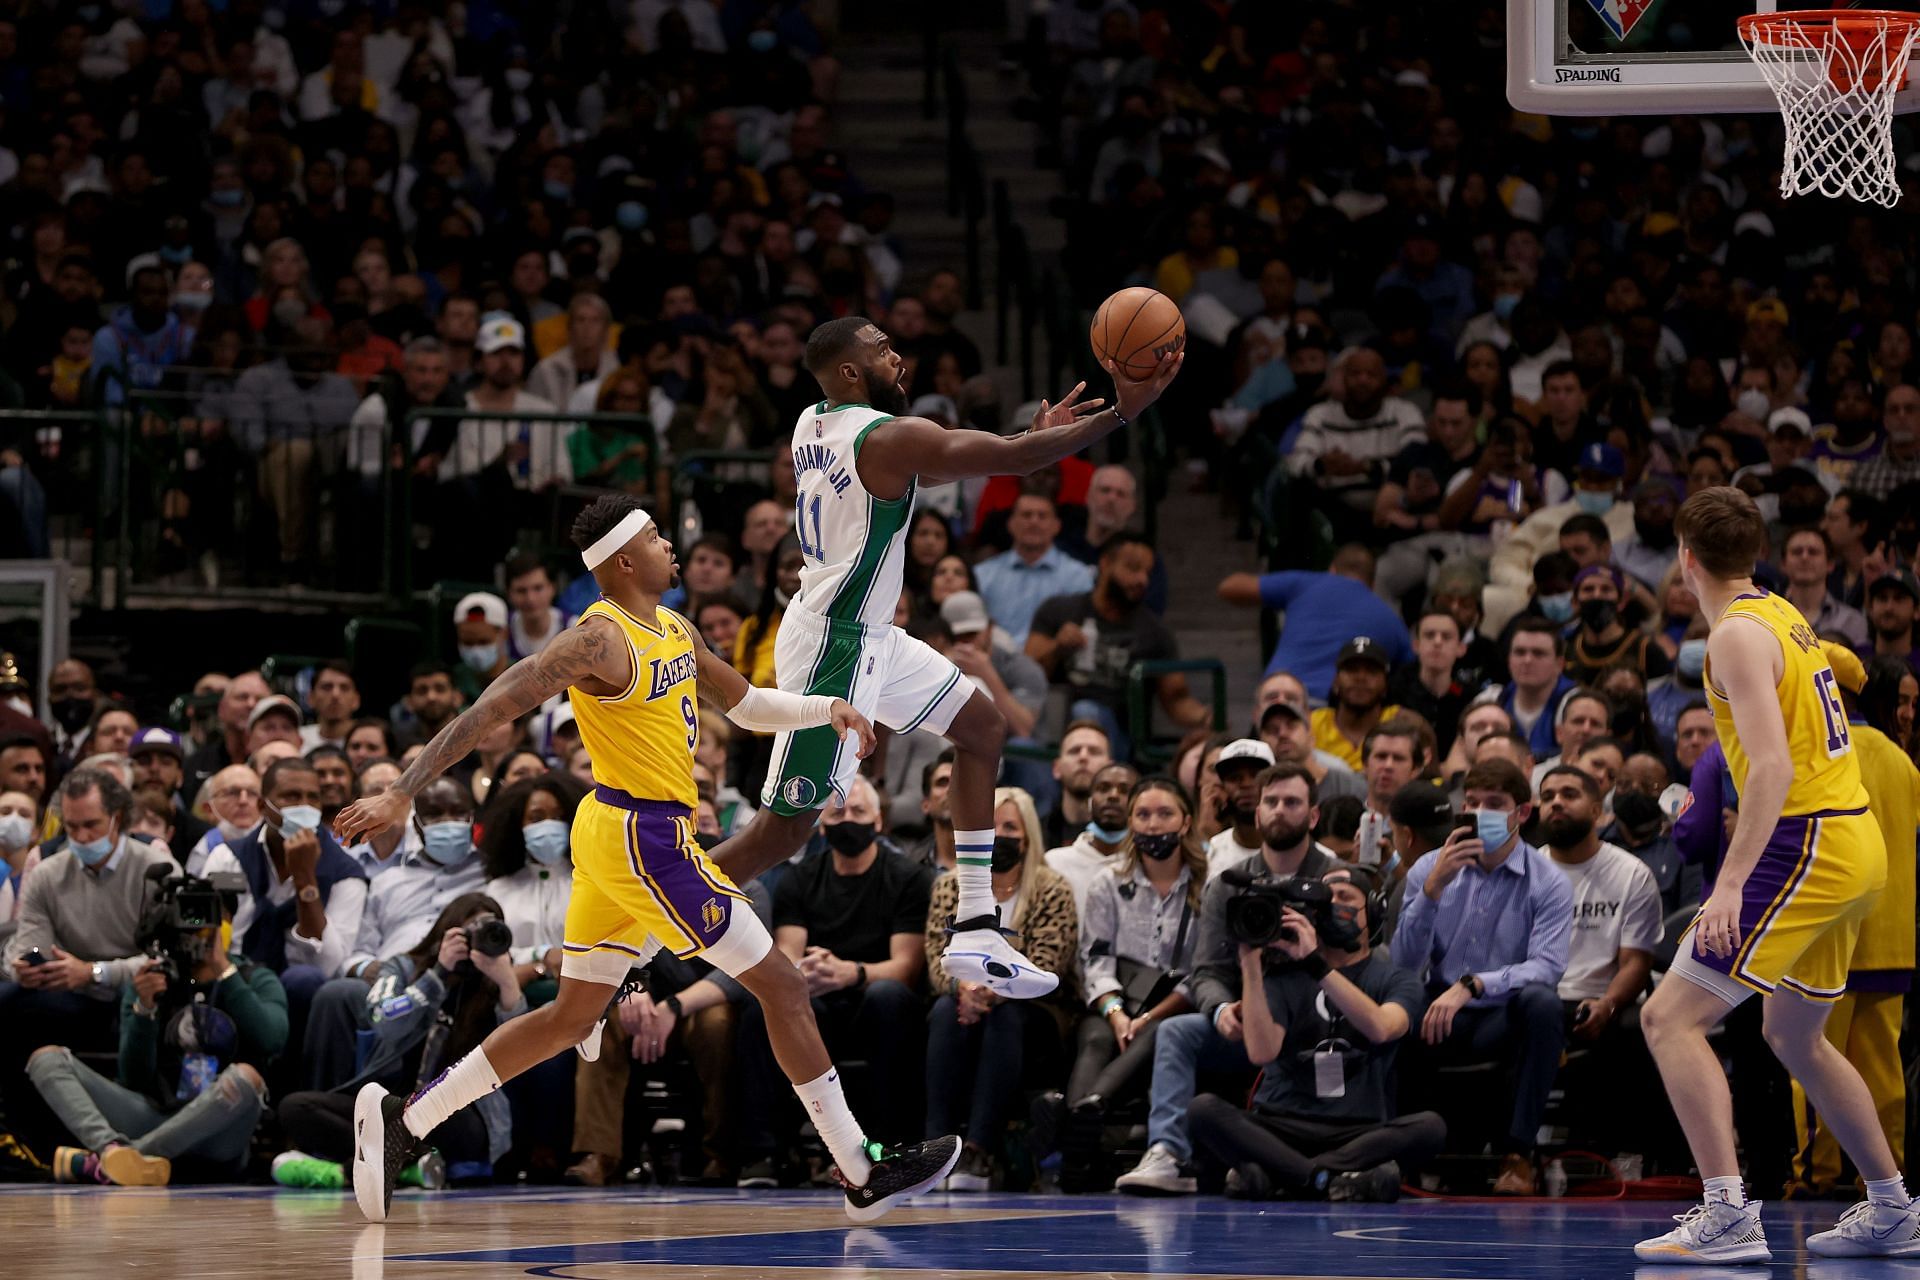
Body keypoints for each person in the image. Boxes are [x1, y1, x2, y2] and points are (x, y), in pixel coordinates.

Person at [331, 494, 959, 1225]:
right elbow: (494, 705)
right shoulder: (598, 640)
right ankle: (859, 1169)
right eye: (659, 537)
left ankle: (406, 1123)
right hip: (642, 838)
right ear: (624, 561)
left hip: (621, 834)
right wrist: (404, 790)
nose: (673, 547)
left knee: (570, 1019)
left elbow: (749, 704)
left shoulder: (675, 627)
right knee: (783, 985)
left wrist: (827, 710)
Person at [665, 319, 1176, 1011]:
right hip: (835, 646)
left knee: (984, 730)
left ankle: (973, 926)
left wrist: (1025, 443)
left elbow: (956, 462)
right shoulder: (885, 435)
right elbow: (1003, 462)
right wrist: (1122, 411)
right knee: (781, 835)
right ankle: (643, 918)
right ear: (850, 372)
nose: (897, 356)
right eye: (880, 350)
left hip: (871, 634)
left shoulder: (815, 422)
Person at [1634, 487, 1916, 1262]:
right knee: (1794, 1035)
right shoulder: (1782, 609)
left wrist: (1728, 885)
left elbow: (1770, 769)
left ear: (1686, 560)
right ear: (1754, 553)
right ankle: (1893, 1206)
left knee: (1669, 1020)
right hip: (1855, 840)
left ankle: (1727, 1213)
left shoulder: (1731, 636)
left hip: (1808, 842)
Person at [1115, 764, 1341, 1195]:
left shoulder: (1337, 879)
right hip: (1247, 1020)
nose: (1279, 811)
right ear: (1257, 814)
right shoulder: (1229, 885)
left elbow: (1359, 962)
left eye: (1291, 802)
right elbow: (1206, 971)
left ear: (1313, 816)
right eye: (1270, 802)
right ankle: (1166, 1151)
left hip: (1318, 1023)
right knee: (1178, 1031)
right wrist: (1219, 1009)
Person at [1188, 864, 1445, 1202]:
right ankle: (1327, 1179)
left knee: (1430, 1128)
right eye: (1326, 898)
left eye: (1344, 897)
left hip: (1355, 1131)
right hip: (1280, 1124)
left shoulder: (1396, 979)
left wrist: (1317, 964)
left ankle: (1283, 1176)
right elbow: (1261, 1053)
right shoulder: (1284, 975)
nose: (1333, 905)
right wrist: (1250, 962)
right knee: (1202, 1109)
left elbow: (1381, 1028)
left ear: (1372, 910)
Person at [733, 776, 934, 1185]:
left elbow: (905, 966)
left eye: (859, 812)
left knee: (888, 997)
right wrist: (810, 970)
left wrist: (851, 972)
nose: (849, 820)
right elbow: (788, 953)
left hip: (873, 997)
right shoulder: (800, 878)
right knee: (762, 1007)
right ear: (822, 823)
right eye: (839, 812)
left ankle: (887, 1146)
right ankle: (764, 1153)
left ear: (879, 822)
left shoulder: (907, 877)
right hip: (818, 995)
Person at [1394, 758, 1574, 1195]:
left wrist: (1476, 983)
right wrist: (1432, 892)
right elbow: (1403, 961)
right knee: (1391, 1006)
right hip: (1440, 1008)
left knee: (1544, 1004)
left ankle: (1518, 1153)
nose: (1479, 814)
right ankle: (1394, 1148)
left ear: (1522, 813)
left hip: (1501, 1013)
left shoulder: (1548, 880)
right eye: (1472, 803)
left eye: (1494, 804)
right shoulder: (1430, 869)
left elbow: (1547, 966)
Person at [29, 901, 287, 1187]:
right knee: (47, 1059)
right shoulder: (152, 980)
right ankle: (112, 1150)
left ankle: (112, 1162)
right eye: (189, 923)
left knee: (246, 1077)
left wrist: (225, 972)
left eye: (209, 922)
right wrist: (144, 1010)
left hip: (219, 1132)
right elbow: (133, 1077)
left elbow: (271, 1039)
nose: (200, 932)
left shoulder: (255, 978)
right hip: (154, 1114)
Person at [1786, 649, 1915, 1199]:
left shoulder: (1816, 753)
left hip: (1828, 935)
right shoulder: (1901, 760)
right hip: (1893, 938)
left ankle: (1817, 1176)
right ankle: (1884, 1177)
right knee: (1882, 1069)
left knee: (1812, 1059)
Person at [924, 787, 1078, 1190]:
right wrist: (964, 988)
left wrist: (991, 990)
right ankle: (936, 1148)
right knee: (942, 1011)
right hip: (961, 1002)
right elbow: (937, 957)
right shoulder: (948, 887)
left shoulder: (1051, 887)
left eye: (1010, 826)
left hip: (1035, 1011)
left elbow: (1048, 962)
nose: (999, 834)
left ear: (1027, 836)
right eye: (990, 825)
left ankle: (978, 1151)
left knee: (1005, 1013)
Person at [1027, 532, 1210, 757]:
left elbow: (1176, 698)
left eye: (1147, 572)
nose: (1142, 580)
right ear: (1105, 564)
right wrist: (1057, 646)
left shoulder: (1155, 632)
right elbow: (1028, 673)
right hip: (1055, 733)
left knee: (1087, 711)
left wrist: (1206, 716)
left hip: (1120, 740)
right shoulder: (1059, 611)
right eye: (1133, 569)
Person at [1218, 546, 1413, 698]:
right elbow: (1415, 671)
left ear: (1331, 569)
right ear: (1372, 583)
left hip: (1279, 699)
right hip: (1337, 711)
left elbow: (1229, 587)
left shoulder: (1304, 583)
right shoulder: (1392, 620)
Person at [973, 492, 1096, 646]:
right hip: (993, 661)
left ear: (1057, 526)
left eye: (1042, 516)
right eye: (1026, 515)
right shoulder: (983, 574)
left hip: (1055, 663)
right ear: (1011, 524)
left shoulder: (1078, 576)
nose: (1034, 521)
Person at [1310, 638, 1403, 771]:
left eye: (1371, 671)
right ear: (1335, 681)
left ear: (1385, 685)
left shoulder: (1404, 723)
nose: (1361, 677)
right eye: (1351, 670)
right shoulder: (1312, 725)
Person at [1203, 739, 1274, 879]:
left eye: (1255, 775)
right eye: (1234, 778)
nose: (1246, 784)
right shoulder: (1210, 853)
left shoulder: (1300, 850)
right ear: (1222, 788)